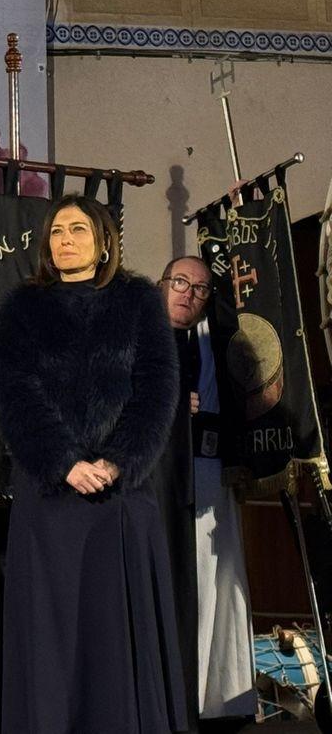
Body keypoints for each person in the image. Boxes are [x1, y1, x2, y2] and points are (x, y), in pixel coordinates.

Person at [0, 194, 186, 733]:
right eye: (56, 231)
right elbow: (15, 394)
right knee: (52, 636)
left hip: (120, 497)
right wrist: (65, 463)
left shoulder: (139, 301)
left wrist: (120, 460)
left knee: (115, 633)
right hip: (51, 499)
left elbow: (157, 389)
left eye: (78, 229)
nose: (66, 240)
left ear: (104, 243)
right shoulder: (21, 308)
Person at [158, 257, 256, 728]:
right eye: (180, 283)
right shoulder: (140, 338)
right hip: (156, 485)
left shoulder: (213, 339)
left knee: (213, 584)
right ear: (162, 285)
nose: (188, 294)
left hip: (208, 473)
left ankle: (214, 701)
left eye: (199, 289)